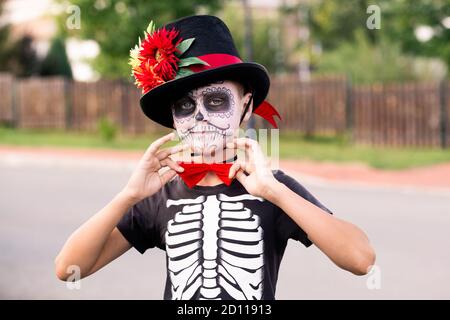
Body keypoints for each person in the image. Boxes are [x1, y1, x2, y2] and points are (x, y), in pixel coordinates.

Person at [55, 15, 375, 300]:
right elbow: (69, 269)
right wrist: (128, 196)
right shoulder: (160, 195)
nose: (199, 117)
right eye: (184, 106)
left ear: (246, 107)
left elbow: (361, 260)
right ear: (174, 118)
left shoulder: (271, 188)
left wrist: (275, 192)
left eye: (217, 101)